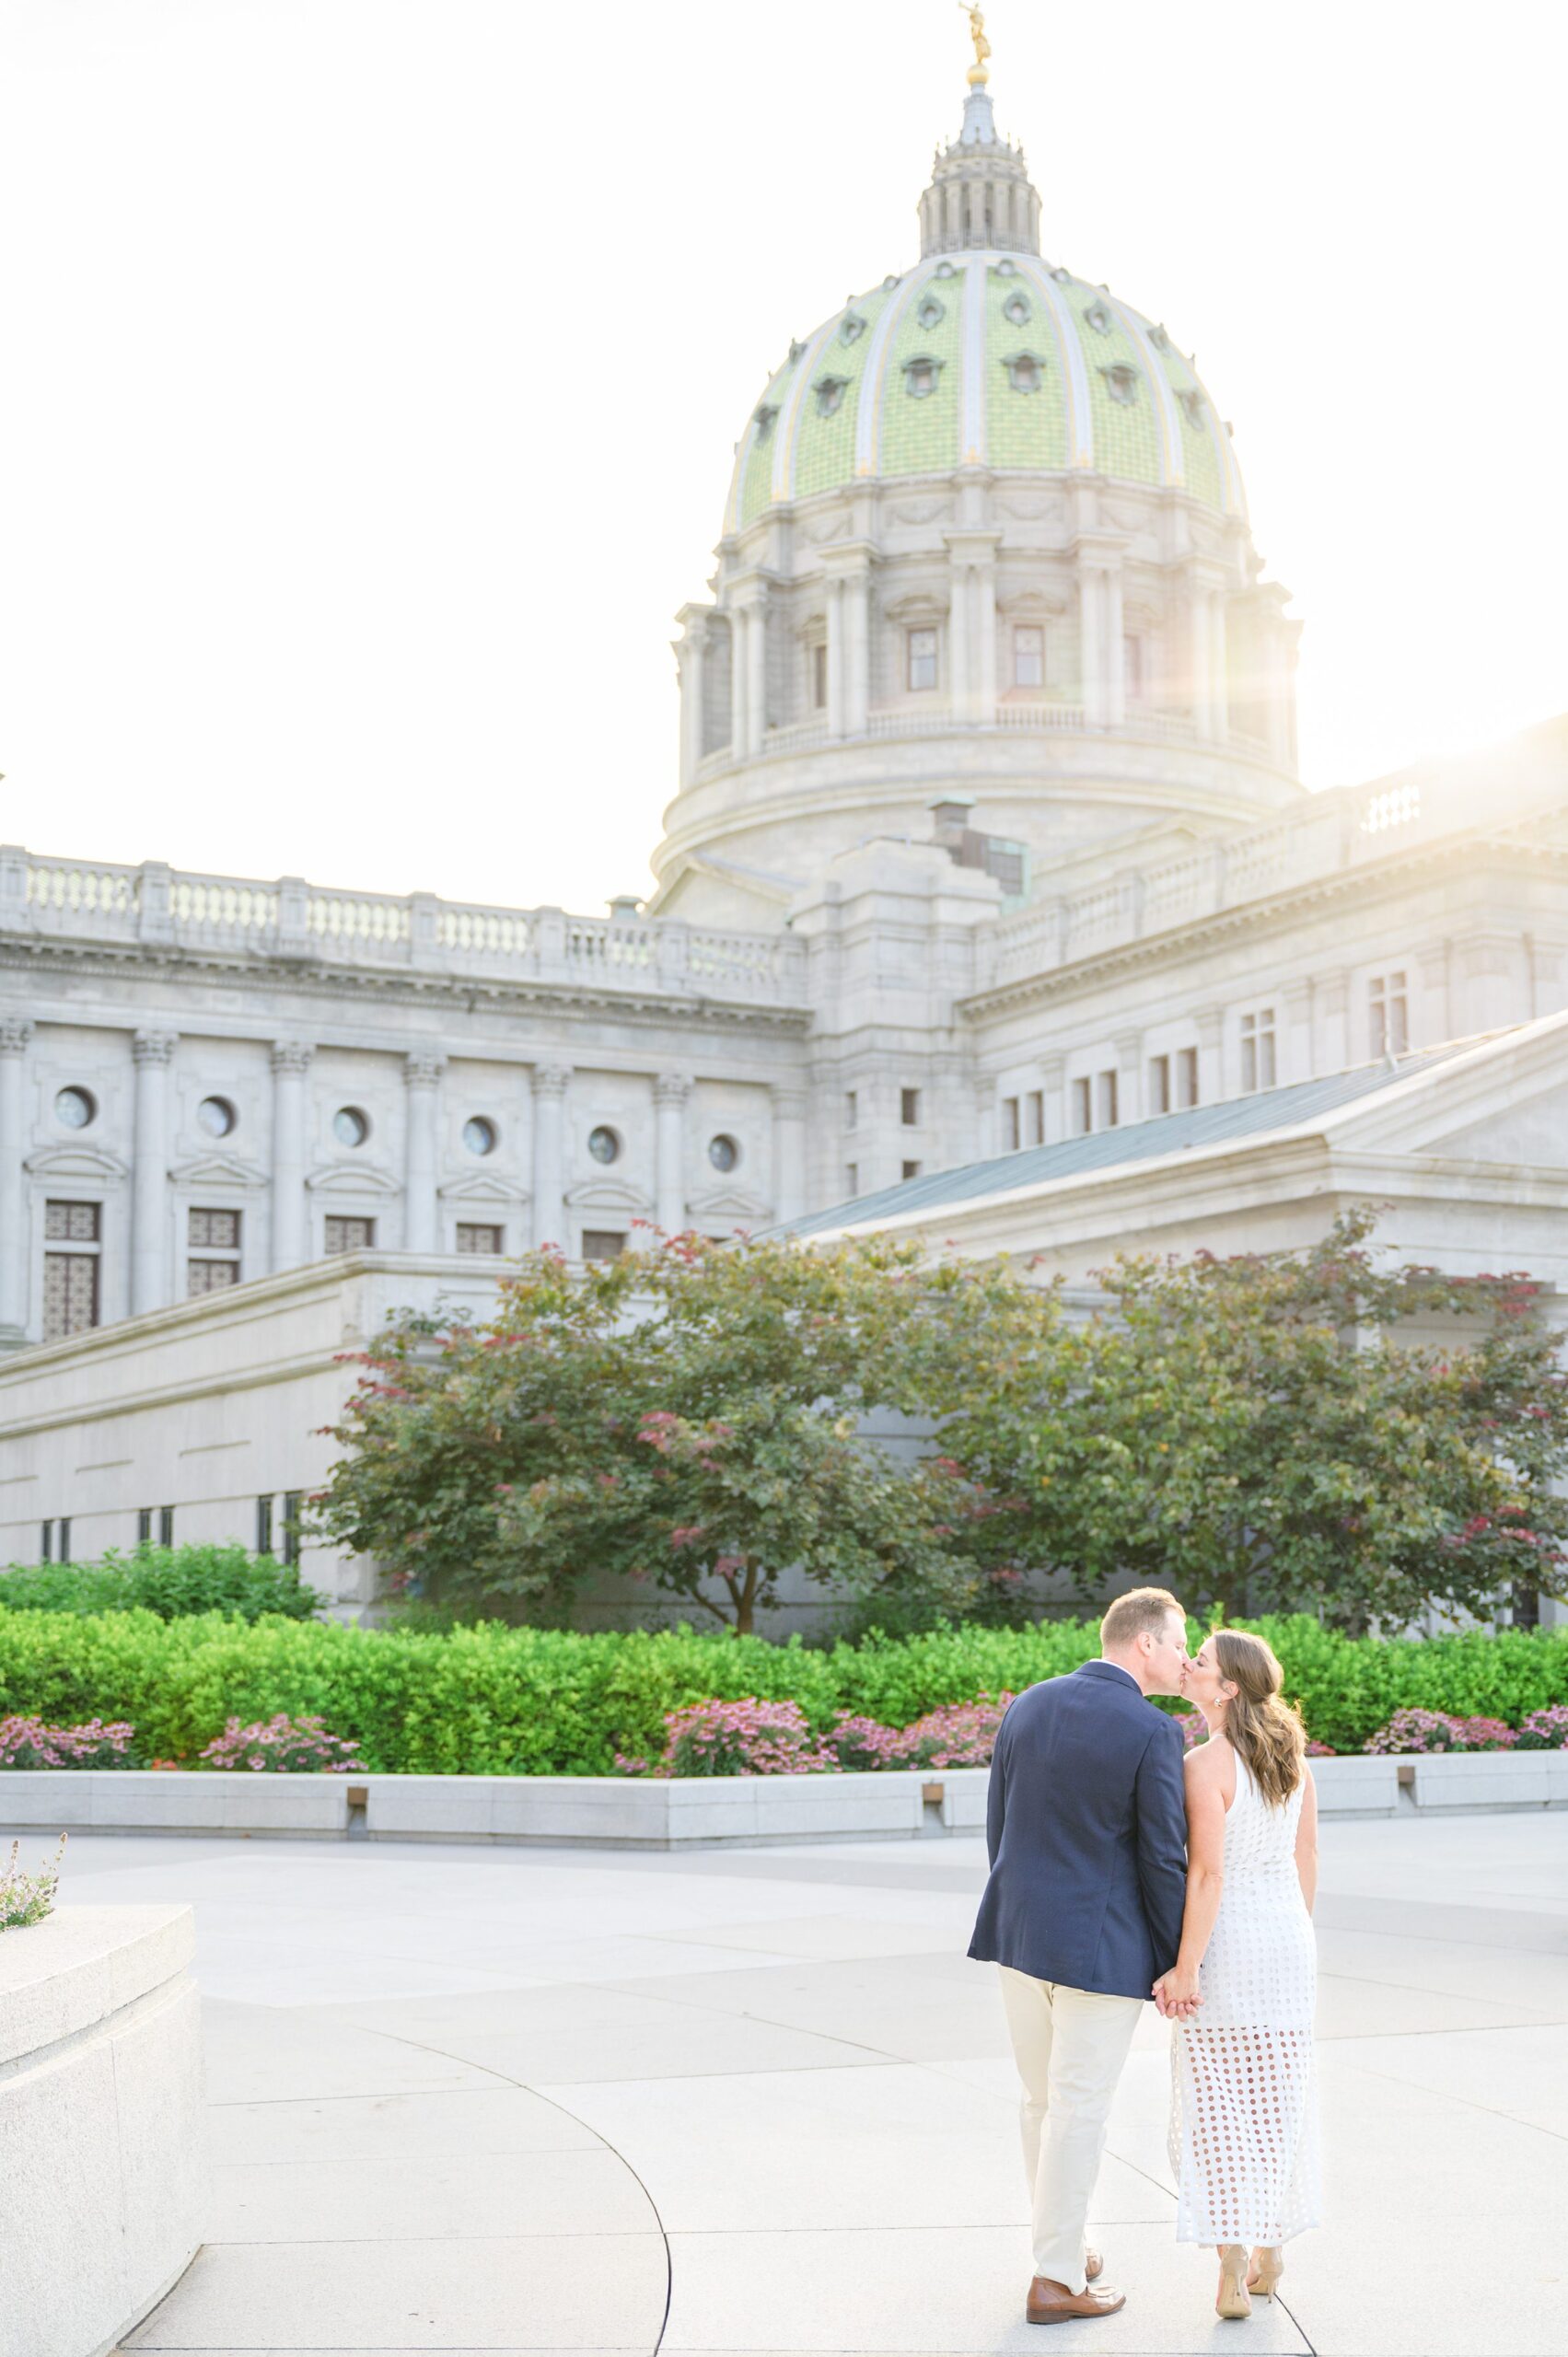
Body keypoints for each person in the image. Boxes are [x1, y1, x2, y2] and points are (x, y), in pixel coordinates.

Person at [969, 1586, 1190, 2326]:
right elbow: (1163, 1858)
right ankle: (1055, 2280)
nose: (1186, 1655)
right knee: (1078, 2111)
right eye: (1180, 1640)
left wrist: (1020, 1906)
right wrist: (1173, 1957)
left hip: (1018, 1932)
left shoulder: (1027, 1703)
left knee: (1041, 2104)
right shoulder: (1152, 1731)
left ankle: (1064, 2244)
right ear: (1145, 1644)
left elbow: (997, 1825)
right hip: (1100, 1946)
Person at [1155, 1629, 1321, 2321]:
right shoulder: (1292, 1760)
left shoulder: (1205, 1763)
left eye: (1202, 1662)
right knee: (1277, 2103)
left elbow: (1207, 1872)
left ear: (1226, 1689)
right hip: (1286, 1943)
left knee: (1220, 2109)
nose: (1189, 1664)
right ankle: (1271, 2249)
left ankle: (1230, 2258)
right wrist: (1293, 1932)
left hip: (1228, 1949)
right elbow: (1304, 1856)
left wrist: (1185, 1965)